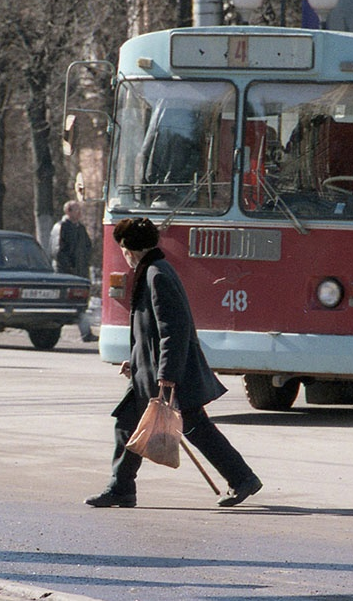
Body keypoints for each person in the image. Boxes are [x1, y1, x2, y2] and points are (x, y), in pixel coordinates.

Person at [86, 218, 263, 509]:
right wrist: (135, 362)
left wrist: (166, 376)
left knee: (195, 427)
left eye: (123, 249)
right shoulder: (151, 272)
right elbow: (151, 333)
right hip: (151, 372)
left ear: (131, 249)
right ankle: (121, 488)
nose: (123, 256)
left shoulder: (156, 275)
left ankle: (242, 478)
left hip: (168, 375)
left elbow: (174, 330)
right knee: (128, 425)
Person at [49, 201, 97, 342]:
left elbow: (87, 247)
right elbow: (58, 252)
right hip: (66, 274)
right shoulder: (61, 227)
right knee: (65, 304)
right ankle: (51, 332)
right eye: (77, 210)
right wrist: (69, 268)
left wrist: (84, 263)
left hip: (80, 272)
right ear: (68, 211)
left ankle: (86, 333)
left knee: (81, 304)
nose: (80, 213)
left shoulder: (80, 228)